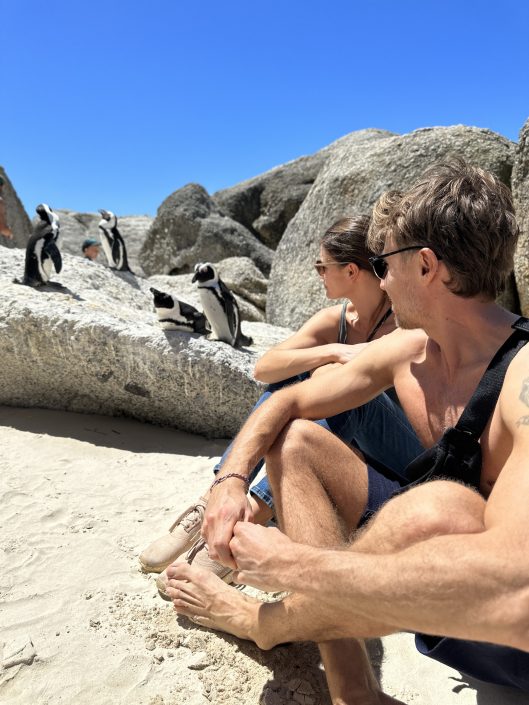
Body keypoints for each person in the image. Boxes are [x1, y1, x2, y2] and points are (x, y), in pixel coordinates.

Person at [166, 159, 529, 702]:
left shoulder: (523, 378)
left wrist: (298, 566)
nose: (379, 279)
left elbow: (517, 593)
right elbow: (286, 398)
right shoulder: (410, 350)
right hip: (436, 597)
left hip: (506, 633)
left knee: (436, 511)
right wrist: (231, 483)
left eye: (384, 264)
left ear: (426, 265)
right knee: (296, 441)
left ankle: (262, 623)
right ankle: (352, 687)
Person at [140, 215, 423, 592]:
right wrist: (333, 349)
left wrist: (335, 364)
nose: (318, 273)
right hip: (347, 451)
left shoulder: (403, 321)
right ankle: (216, 499)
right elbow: (265, 367)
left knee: (346, 392)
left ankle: (250, 517)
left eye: (322, 266)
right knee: (294, 376)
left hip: (407, 459)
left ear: (351, 270)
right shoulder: (336, 320)